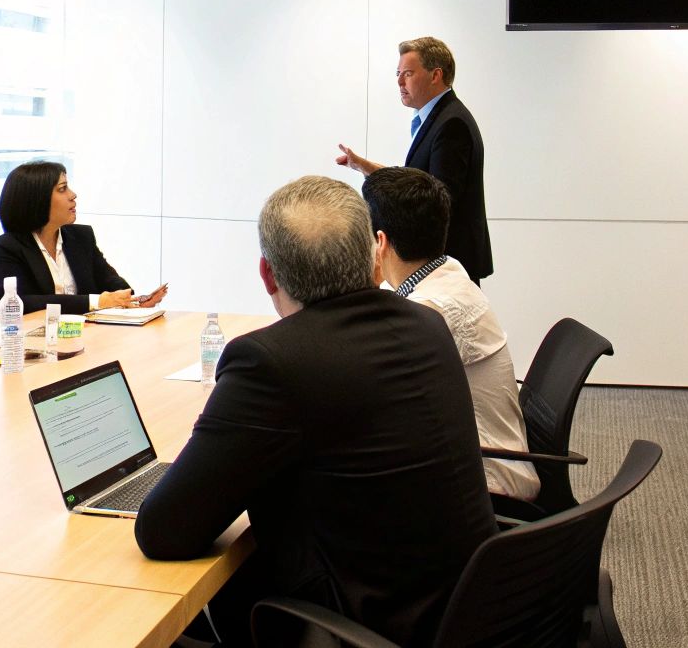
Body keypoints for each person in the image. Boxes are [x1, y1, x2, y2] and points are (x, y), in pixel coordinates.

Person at [135, 175, 494, 645]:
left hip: (362, 625)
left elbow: (165, 531)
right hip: (466, 605)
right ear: (374, 257)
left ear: (267, 274)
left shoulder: (272, 361)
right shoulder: (425, 323)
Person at [361, 166, 538, 504]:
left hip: (486, 487)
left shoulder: (431, 311)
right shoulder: (448, 271)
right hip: (481, 462)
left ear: (379, 242)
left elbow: (369, 396)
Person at [335, 35, 494, 280]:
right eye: (398, 73)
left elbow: (439, 199)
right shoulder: (439, 117)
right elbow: (420, 183)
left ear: (435, 75)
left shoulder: (452, 123)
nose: (399, 81)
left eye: (407, 73)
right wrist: (365, 167)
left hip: (447, 263)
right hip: (438, 261)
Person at [0, 160, 165, 314]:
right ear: (38, 199)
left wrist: (132, 299)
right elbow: (22, 303)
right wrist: (97, 302)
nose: (73, 195)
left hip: (84, 335)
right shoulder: (7, 248)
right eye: (62, 189)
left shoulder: (81, 236)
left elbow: (108, 279)